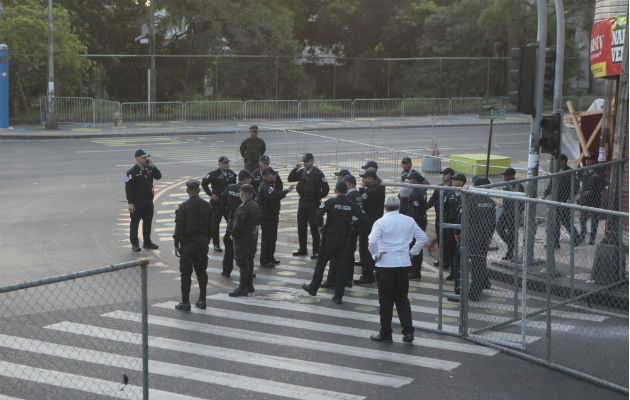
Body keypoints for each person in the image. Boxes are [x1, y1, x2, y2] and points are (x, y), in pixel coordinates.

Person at [368, 196, 427, 343]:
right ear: (399, 207)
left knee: (386, 301)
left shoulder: (380, 222)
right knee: (402, 299)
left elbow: (372, 241)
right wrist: (412, 253)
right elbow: (422, 238)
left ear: (385, 206)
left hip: (385, 264)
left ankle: (386, 332)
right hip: (403, 263)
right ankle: (408, 332)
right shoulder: (408, 220)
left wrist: (375, 255)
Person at [302, 181, 365, 304]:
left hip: (330, 238)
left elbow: (318, 213)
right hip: (344, 239)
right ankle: (338, 296)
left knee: (321, 264)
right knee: (342, 267)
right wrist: (353, 226)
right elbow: (363, 218)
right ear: (347, 191)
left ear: (335, 191)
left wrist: (320, 226)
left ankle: (313, 288)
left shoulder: (331, 202)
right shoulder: (351, 204)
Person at [173, 180, 213, 311]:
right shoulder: (207, 206)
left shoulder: (183, 207)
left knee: (186, 273)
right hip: (202, 243)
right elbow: (212, 225)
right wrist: (207, 240)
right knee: (201, 272)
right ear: (199, 191)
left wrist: (176, 244)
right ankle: (202, 299)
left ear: (187, 191)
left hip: (188, 244)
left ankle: (186, 302)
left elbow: (179, 229)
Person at [288, 153, 330, 259]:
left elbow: (326, 189)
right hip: (302, 202)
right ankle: (303, 249)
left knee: (314, 228)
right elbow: (290, 179)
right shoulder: (301, 172)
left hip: (313, 203)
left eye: (306, 161)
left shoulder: (318, 173)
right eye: (304, 161)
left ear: (312, 161)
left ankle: (316, 251)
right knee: (301, 226)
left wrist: (317, 197)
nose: (305, 163)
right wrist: (295, 169)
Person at [125, 149, 162, 252]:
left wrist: (153, 166)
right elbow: (129, 189)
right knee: (135, 223)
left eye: (146, 157)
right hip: (137, 202)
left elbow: (158, 176)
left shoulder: (149, 168)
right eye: (143, 157)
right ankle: (135, 243)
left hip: (148, 201)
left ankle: (147, 242)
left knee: (148, 222)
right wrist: (130, 203)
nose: (146, 159)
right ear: (137, 158)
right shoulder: (132, 172)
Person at [258, 167, 295, 268]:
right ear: (266, 175)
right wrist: (287, 190)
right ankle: (264, 260)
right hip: (267, 216)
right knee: (267, 239)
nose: (275, 176)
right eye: (272, 174)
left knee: (272, 238)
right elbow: (275, 196)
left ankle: (270, 257)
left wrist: (276, 177)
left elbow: (279, 186)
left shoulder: (270, 185)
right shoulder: (265, 186)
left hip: (272, 215)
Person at [467, 177, 496, 300]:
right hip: (484, 237)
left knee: (475, 264)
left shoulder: (471, 200)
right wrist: (489, 236)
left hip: (473, 237)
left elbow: (468, 220)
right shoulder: (490, 201)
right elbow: (493, 221)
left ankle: (475, 291)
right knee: (480, 261)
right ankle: (484, 283)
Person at [355, 169, 386, 284]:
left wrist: (362, 189)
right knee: (370, 249)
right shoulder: (375, 188)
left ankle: (368, 275)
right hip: (372, 223)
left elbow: (364, 199)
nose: (363, 180)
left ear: (372, 179)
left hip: (369, 224)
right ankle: (371, 270)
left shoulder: (374, 190)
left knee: (366, 249)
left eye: (365, 178)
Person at [543, 154, 580, 247]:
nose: (557, 163)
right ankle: (555, 242)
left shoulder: (570, 172)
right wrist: (545, 194)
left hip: (565, 200)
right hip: (556, 200)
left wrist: (570, 198)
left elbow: (576, 187)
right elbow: (551, 184)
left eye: (559, 161)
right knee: (555, 221)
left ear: (563, 161)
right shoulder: (556, 171)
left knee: (565, 220)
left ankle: (576, 238)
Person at [220, 170, 251, 278]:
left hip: (231, 222)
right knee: (246, 250)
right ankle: (248, 272)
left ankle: (226, 271)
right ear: (246, 179)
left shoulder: (229, 188)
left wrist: (227, 216)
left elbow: (222, 203)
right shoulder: (248, 190)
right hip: (244, 225)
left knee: (229, 249)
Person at [202, 156, 237, 252]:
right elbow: (204, 183)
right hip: (217, 203)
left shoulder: (232, 174)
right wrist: (210, 194)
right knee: (215, 224)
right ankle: (216, 244)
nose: (226, 165)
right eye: (224, 163)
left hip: (228, 203)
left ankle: (231, 241)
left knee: (231, 222)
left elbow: (235, 186)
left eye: (227, 163)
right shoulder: (213, 174)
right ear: (219, 164)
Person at [229, 184, 259, 297]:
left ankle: (242, 288)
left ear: (241, 194)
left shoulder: (243, 208)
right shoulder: (254, 204)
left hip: (243, 238)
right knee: (250, 261)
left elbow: (239, 225)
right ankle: (249, 285)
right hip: (252, 236)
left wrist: (233, 235)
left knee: (242, 262)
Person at [426, 167, 454, 266]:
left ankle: (448, 261)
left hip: (449, 218)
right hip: (439, 217)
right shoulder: (439, 187)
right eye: (442, 174)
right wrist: (423, 208)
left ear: (450, 175)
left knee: (448, 240)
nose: (443, 176)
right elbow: (432, 200)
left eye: (445, 174)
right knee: (440, 239)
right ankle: (441, 259)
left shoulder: (453, 187)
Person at [496, 168, 525, 260]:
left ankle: (510, 252)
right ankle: (511, 244)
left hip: (514, 212)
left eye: (506, 176)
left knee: (511, 232)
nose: (504, 177)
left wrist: (520, 212)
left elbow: (522, 201)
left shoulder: (519, 186)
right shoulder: (505, 185)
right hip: (506, 211)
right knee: (499, 227)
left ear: (512, 176)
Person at [578, 153, 605, 245]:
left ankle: (592, 238)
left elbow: (602, 186)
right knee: (582, 218)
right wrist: (580, 190)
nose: (587, 161)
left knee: (594, 219)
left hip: (595, 198)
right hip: (584, 198)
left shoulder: (599, 171)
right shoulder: (582, 171)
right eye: (586, 159)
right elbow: (577, 181)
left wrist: (591, 191)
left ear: (594, 161)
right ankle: (582, 235)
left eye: (589, 159)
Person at [406, 171, 428, 280]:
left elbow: (415, 212)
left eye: (409, 179)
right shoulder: (420, 190)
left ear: (414, 181)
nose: (408, 181)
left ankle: (415, 271)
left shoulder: (416, 193)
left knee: (415, 246)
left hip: (417, 223)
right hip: (420, 221)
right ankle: (413, 268)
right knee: (414, 245)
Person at [443, 173, 465, 279]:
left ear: (461, 183)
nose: (453, 182)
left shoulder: (466, 194)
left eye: (455, 180)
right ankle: (453, 271)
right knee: (450, 248)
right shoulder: (449, 193)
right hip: (450, 224)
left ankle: (459, 272)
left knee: (460, 250)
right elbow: (445, 207)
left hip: (461, 226)